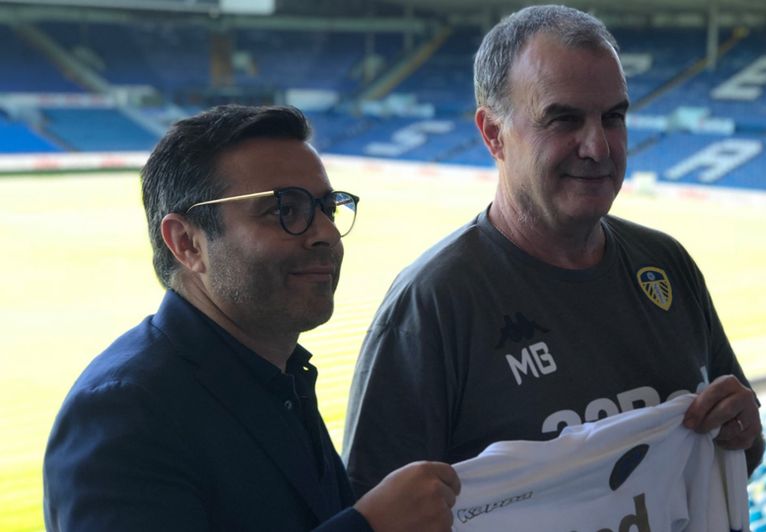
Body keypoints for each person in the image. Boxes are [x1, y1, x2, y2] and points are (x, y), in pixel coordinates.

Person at [343, 5, 764, 499]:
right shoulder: (433, 304)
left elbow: (737, 450)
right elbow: (377, 515)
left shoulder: (666, 264)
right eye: (563, 119)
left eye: (613, 118)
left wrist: (744, 429)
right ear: (494, 134)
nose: (598, 147)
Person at [43, 105, 460, 532]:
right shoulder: (123, 415)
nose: (327, 234)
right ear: (187, 243)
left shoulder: (279, 374)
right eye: (284, 210)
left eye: (326, 208)